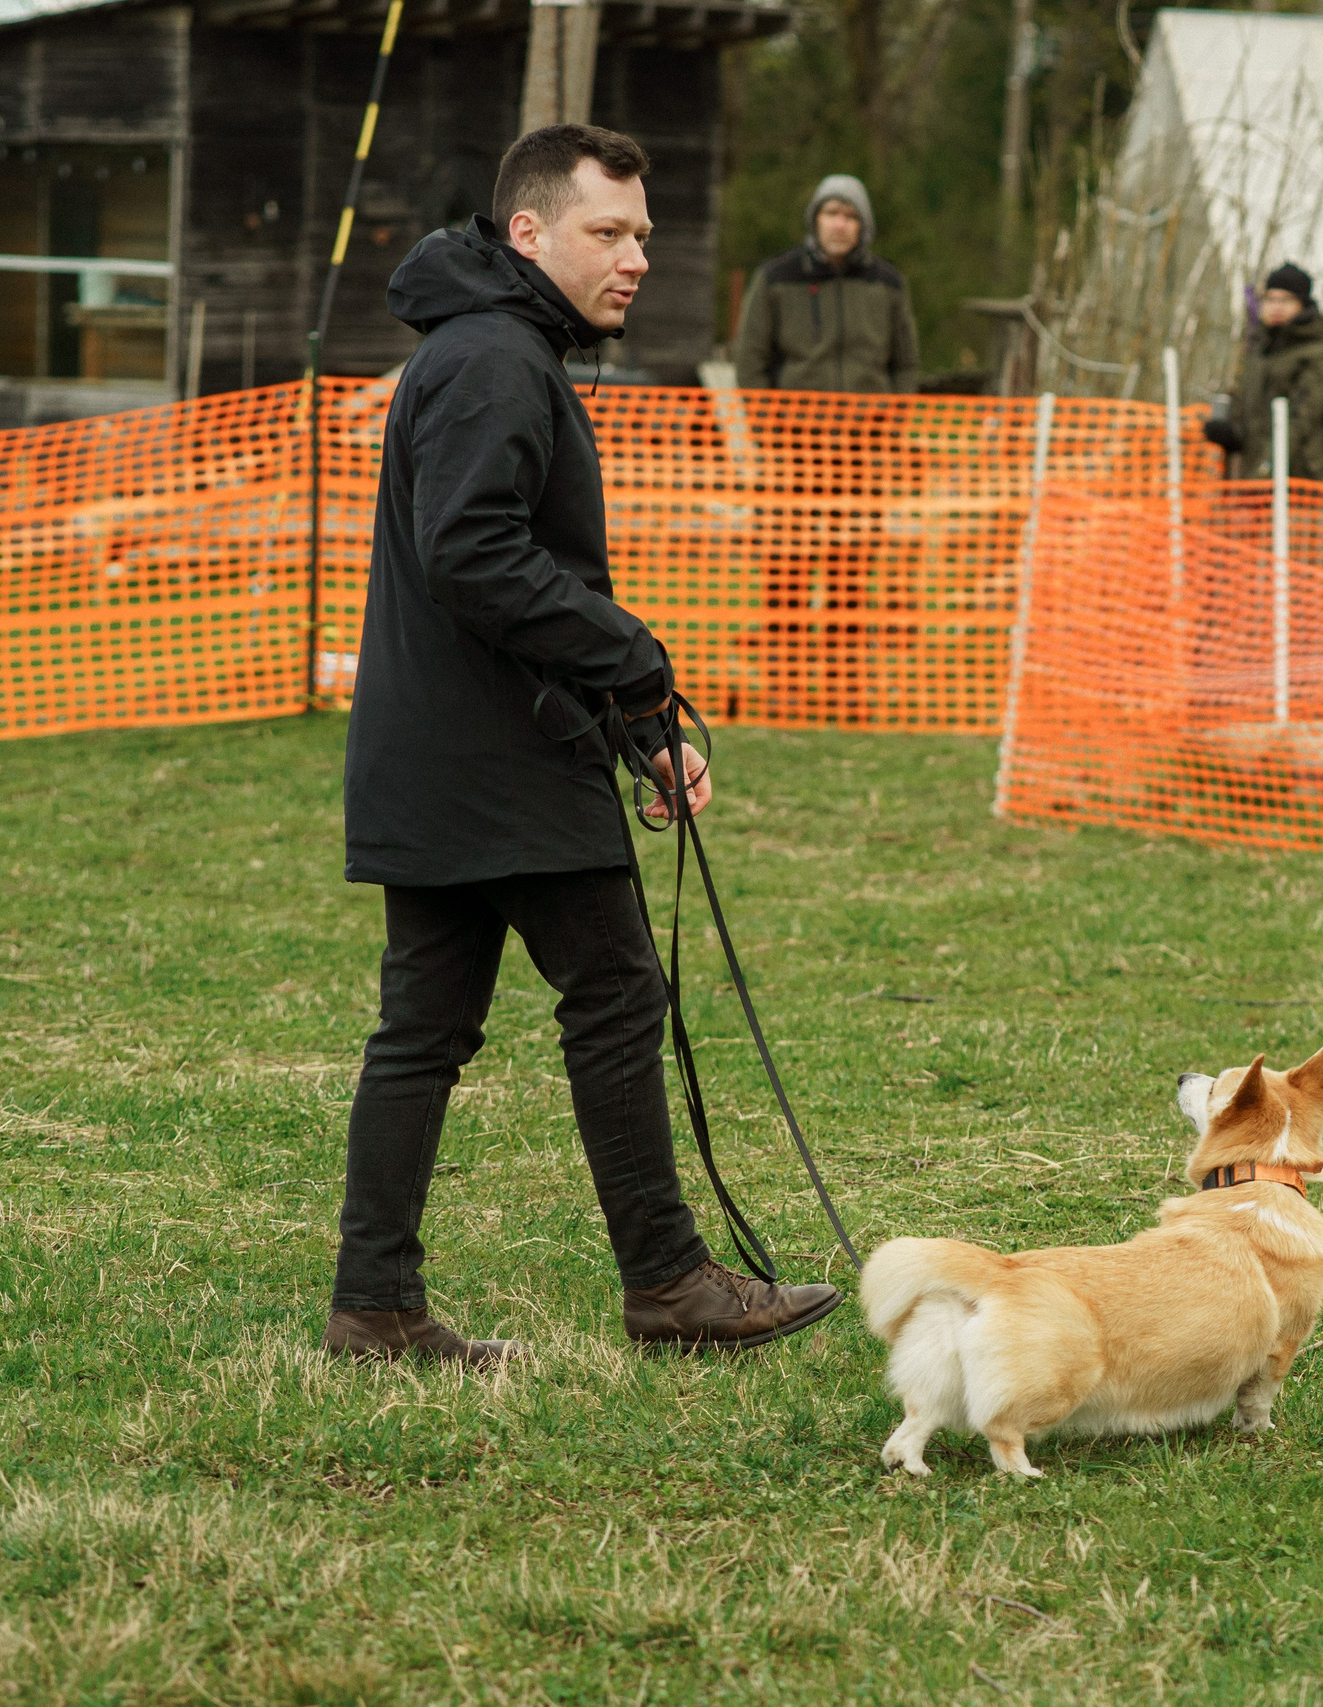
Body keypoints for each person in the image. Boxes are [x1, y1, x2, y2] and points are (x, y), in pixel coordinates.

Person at [331, 124, 842, 1363]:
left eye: (643, 238)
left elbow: (508, 572)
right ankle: (668, 1285)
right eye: (607, 234)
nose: (635, 261)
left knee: (428, 1029)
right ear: (528, 233)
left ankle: (375, 1306)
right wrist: (636, 660)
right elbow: (475, 555)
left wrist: (637, 732)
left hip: (451, 757)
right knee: (615, 997)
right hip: (494, 766)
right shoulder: (497, 359)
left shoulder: (492, 349)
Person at [732, 174, 919, 393]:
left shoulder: (888, 284)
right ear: (815, 219)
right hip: (794, 423)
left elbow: (906, 363)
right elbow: (749, 358)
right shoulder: (775, 278)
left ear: (863, 226)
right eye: (831, 213)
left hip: (869, 423)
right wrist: (766, 419)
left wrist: (894, 422)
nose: (840, 225)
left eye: (850, 217)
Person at [1204, 262, 1323, 486]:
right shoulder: (1258, 353)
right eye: (1270, 299)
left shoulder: (1317, 356)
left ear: (1303, 305)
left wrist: (1265, 470)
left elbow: (1300, 422)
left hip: (1305, 482)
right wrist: (1231, 433)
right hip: (1258, 481)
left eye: (1286, 300)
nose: (1276, 307)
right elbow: (1251, 414)